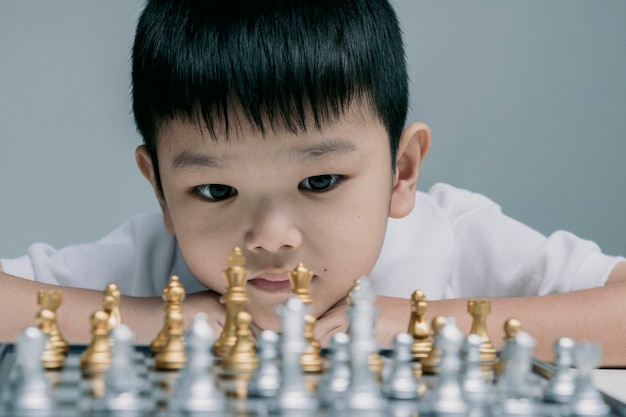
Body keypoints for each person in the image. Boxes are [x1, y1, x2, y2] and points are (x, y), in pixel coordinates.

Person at [1, 0, 625, 365]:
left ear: (402, 172)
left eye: (321, 180)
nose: (271, 237)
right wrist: (147, 320)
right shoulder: (150, 263)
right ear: (161, 190)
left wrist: (426, 324)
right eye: (215, 192)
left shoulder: (454, 240)